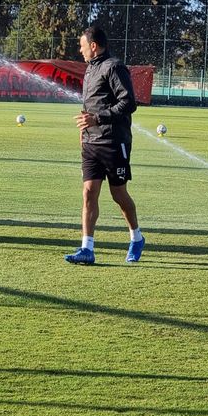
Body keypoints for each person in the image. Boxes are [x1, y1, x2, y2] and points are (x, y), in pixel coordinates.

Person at [65, 26, 145, 265]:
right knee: (88, 192)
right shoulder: (90, 69)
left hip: (113, 142)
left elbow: (128, 103)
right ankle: (87, 248)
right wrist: (84, 129)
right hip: (91, 142)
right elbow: (90, 105)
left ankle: (136, 238)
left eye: (82, 46)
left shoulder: (114, 67)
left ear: (93, 45)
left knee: (118, 194)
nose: (80, 50)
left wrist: (97, 119)